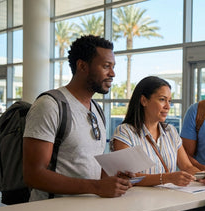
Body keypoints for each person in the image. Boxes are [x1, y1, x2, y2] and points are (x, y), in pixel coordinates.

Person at [23, 35, 133, 201]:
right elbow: (33, 175)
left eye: (113, 66)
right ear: (82, 66)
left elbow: (90, 168)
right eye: (106, 66)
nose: (113, 73)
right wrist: (96, 187)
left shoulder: (97, 110)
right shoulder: (50, 105)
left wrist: (115, 179)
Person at [111, 76, 205, 186]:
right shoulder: (125, 132)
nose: (168, 106)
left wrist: (202, 175)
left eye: (169, 101)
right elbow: (128, 177)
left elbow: (187, 167)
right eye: (162, 99)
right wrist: (167, 178)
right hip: (138, 200)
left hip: (168, 200)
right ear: (144, 100)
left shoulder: (171, 131)